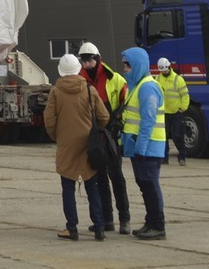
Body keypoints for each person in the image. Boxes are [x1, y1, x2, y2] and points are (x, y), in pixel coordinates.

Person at [44, 54, 111, 241]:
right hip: (89, 145)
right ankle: (99, 228)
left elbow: (49, 120)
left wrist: (58, 136)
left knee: (68, 188)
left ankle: (71, 227)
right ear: (77, 69)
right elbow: (104, 117)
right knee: (92, 188)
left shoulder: (56, 92)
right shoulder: (90, 90)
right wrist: (94, 132)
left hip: (66, 146)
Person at [78, 42, 131, 234]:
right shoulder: (80, 81)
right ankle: (107, 219)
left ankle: (124, 219)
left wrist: (120, 125)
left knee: (117, 178)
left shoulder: (115, 79)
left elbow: (127, 104)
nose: (87, 64)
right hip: (93, 137)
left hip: (112, 136)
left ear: (98, 59)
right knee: (100, 179)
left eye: (90, 60)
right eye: (84, 60)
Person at [120, 47, 167, 240]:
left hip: (148, 147)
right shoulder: (138, 86)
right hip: (140, 148)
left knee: (150, 185)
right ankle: (151, 222)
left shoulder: (147, 87)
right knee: (145, 185)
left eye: (127, 66)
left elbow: (148, 119)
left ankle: (157, 225)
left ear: (137, 65)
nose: (125, 70)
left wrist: (140, 147)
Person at [153, 57, 191, 165]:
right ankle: (164, 158)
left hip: (176, 112)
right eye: (162, 71)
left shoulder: (178, 79)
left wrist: (182, 108)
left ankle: (182, 156)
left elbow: (185, 96)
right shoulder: (157, 79)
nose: (164, 72)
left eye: (165, 70)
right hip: (164, 113)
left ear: (169, 67)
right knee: (163, 136)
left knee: (178, 135)